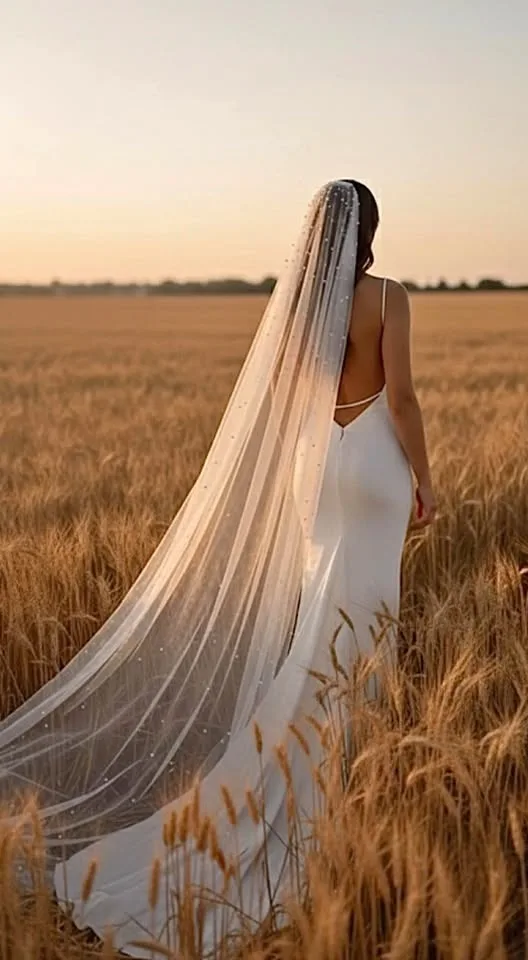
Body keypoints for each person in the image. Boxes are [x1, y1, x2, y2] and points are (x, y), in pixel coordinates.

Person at [0, 179, 436, 957]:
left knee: (318, 635)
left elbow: (288, 402)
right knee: (366, 627)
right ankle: (337, 798)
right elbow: (399, 398)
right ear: (369, 228)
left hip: (324, 472)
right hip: (374, 469)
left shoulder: (302, 312)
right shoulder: (388, 296)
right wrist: (426, 480)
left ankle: (295, 782)